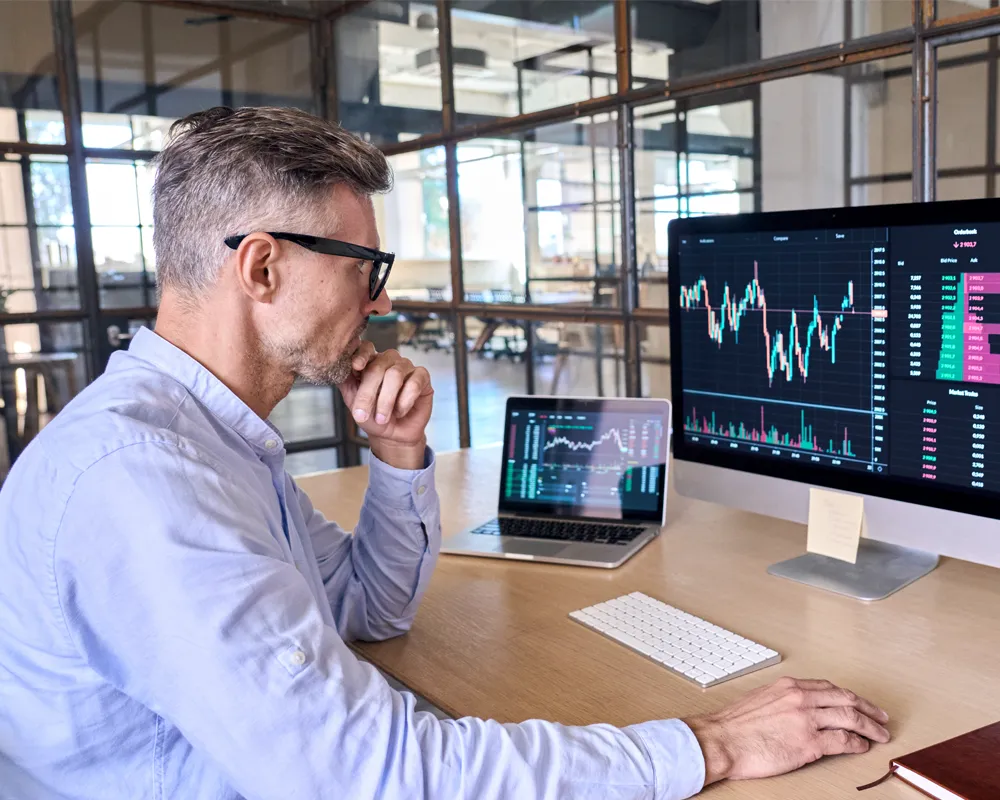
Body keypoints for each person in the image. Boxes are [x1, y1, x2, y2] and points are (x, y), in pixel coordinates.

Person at [0, 106, 890, 800]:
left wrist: (395, 459)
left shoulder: (216, 445)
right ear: (262, 269)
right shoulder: (147, 483)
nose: (379, 303)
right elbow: (368, 776)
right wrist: (714, 743)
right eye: (362, 267)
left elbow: (364, 609)